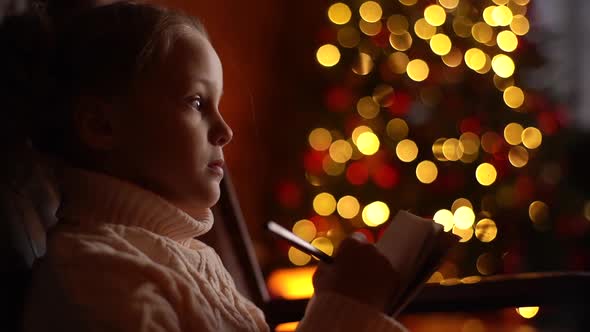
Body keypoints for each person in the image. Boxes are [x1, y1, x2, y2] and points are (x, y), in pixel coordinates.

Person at [17, 2, 407, 331]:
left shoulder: (194, 258)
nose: (225, 131)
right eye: (197, 103)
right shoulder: (96, 280)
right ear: (101, 125)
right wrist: (346, 310)